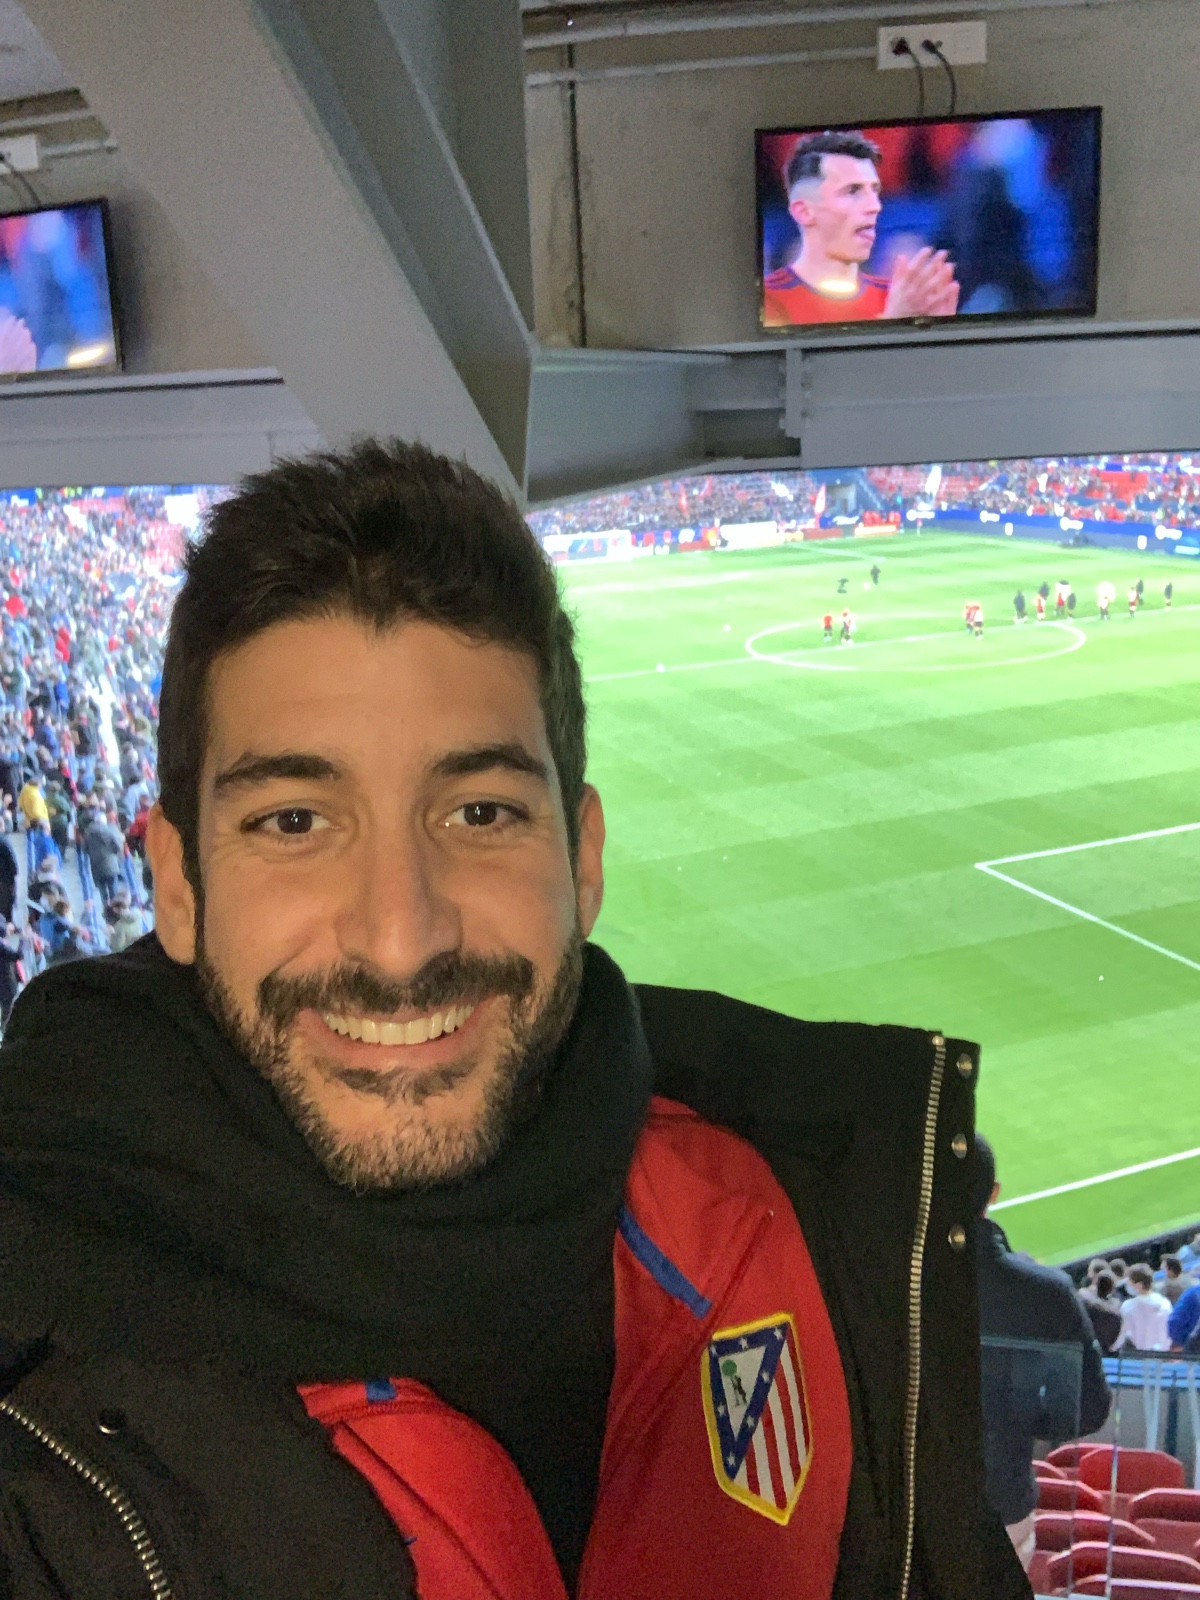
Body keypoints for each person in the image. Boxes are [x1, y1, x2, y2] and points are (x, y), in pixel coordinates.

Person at [0, 440, 1023, 1600]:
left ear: (582, 860)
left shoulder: (821, 1231)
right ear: (177, 885)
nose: (401, 939)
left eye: (480, 812)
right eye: (293, 821)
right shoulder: (39, 1394)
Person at [973, 1133, 1110, 1574]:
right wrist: (1016, 1420)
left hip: (900, 1508)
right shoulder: (1047, 1292)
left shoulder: (882, 1285)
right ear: (993, 1193)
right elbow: (1088, 1409)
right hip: (1002, 1504)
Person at [762, 130, 960, 328]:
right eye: (852, 191)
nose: (875, 206)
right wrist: (894, 323)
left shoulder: (897, 295)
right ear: (805, 211)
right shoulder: (768, 302)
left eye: (874, 190)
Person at [1114, 1264, 1172, 1350]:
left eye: (1130, 1282)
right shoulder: (1165, 1303)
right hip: (1163, 1352)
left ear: (1139, 1284)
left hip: (1139, 1353)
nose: (1128, 1285)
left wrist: (1113, 1349)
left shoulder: (1128, 1306)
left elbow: (1124, 1334)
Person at [83, 806, 127, 905]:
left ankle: (106, 907)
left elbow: (84, 849)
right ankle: (114, 908)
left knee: (102, 891)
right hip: (111, 865)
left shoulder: (88, 833)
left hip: (96, 866)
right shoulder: (109, 832)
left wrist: (93, 853)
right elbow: (118, 847)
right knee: (113, 890)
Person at [1078, 1269, 1122, 1352]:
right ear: (1112, 1289)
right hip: (1106, 1349)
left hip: (1091, 1348)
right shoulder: (1117, 1312)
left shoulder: (1086, 1304)